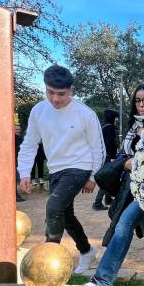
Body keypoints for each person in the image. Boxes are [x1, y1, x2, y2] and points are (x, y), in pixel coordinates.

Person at [83, 84, 144, 286]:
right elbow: (126, 154)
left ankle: (103, 280)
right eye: (137, 101)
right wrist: (126, 163)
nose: (141, 105)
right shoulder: (133, 126)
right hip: (131, 185)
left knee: (124, 224)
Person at [17, 65, 105, 274]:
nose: (55, 99)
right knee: (65, 216)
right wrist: (25, 173)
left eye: (61, 94)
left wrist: (93, 176)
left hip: (79, 166)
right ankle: (86, 251)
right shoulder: (39, 110)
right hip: (55, 169)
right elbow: (29, 143)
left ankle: (50, 258)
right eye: (50, 92)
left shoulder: (85, 113)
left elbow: (97, 147)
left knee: (53, 207)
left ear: (71, 90)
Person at [93, 109, 120, 211]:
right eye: (116, 117)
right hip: (108, 157)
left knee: (107, 177)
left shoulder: (103, 127)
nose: (117, 120)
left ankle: (108, 199)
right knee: (107, 178)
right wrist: (113, 156)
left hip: (102, 156)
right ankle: (97, 203)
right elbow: (110, 143)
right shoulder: (110, 128)